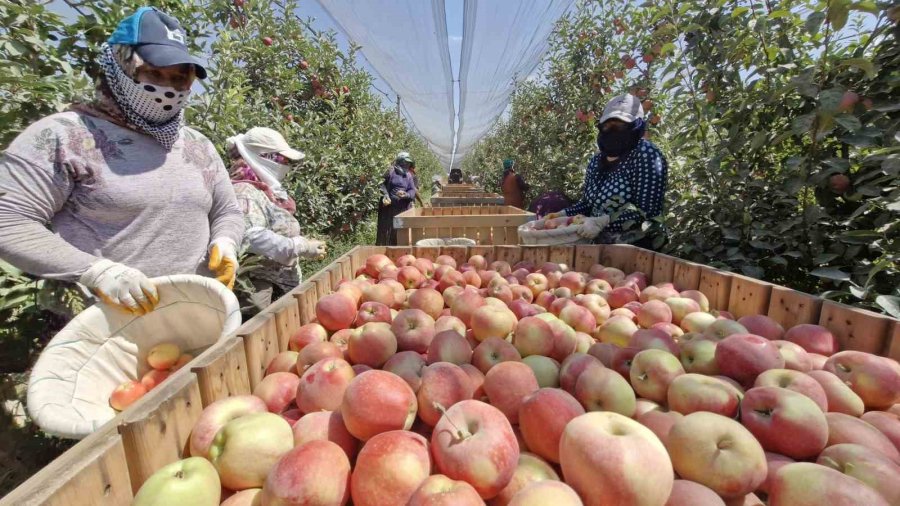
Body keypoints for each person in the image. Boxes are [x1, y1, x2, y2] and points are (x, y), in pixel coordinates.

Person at [0, 7, 244, 316]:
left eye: (178, 79)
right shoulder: (64, 137)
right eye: (154, 73)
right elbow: (8, 221)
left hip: (201, 313)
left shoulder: (198, 146)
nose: (167, 88)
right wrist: (95, 271)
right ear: (121, 65)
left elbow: (227, 211)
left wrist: (226, 240)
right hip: (114, 324)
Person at [548, 94, 668, 247]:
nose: (613, 131)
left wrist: (603, 221)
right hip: (600, 246)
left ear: (637, 126)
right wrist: (562, 215)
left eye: (621, 126)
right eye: (607, 126)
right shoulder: (596, 161)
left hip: (636, 250)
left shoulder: (645, 154)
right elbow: (587, 204)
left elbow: (648, 213)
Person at [226, 128, 326, 310]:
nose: (287, 165)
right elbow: (250, 237)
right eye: (283, 160)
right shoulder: (244, 192)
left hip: (276, 282)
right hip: (256, 288)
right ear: (265, 158)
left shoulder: (264, 188)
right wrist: (299, 246)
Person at [376, 152, 417, 246]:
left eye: (408, 163)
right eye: (405, 162)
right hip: (389, 209)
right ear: (399, 161)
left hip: (403, 209)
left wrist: (406, 194)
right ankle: (386, 250)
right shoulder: (391, 171)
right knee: (387, 231)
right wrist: (385, 194)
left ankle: (400, 249)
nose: (406, 165)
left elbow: (412, 190)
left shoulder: (408, 175)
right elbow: (380, 183)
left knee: (400, 231)